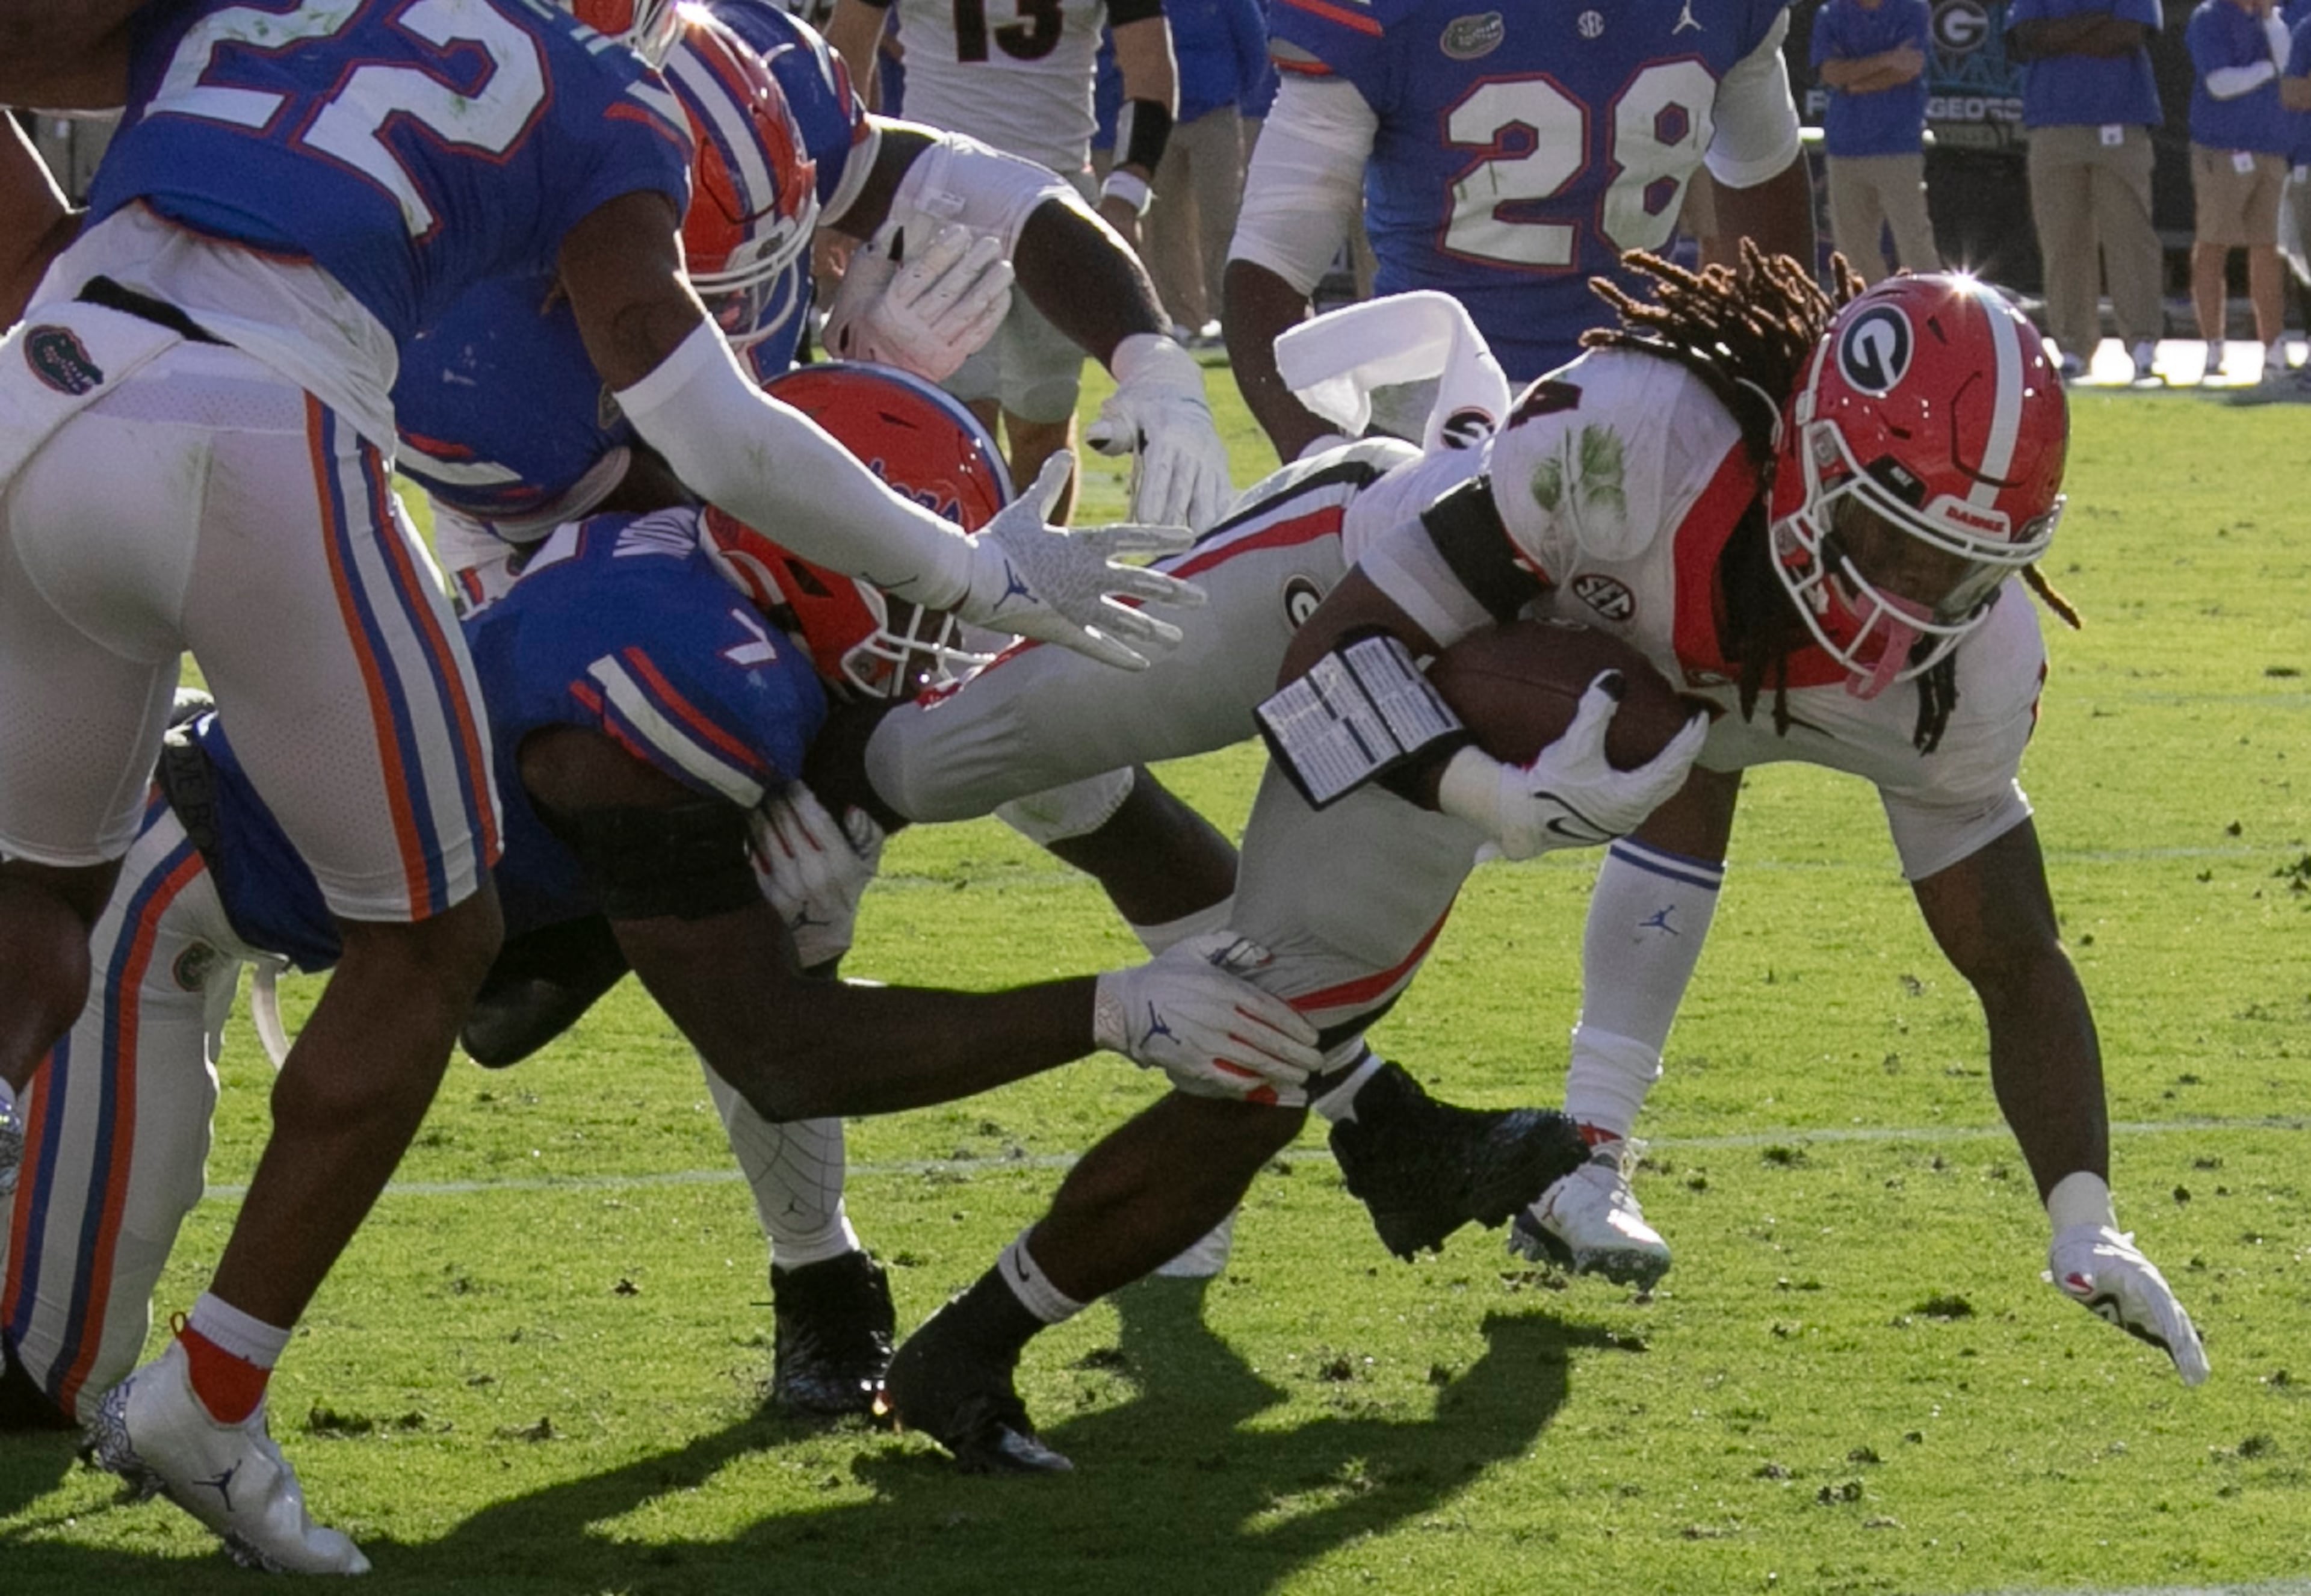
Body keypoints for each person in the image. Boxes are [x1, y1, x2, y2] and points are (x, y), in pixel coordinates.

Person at [0, 0, 1201, 1573]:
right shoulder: (591, 97)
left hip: (40, 390)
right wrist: (963, 563)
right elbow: (701, 422)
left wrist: (48, 251)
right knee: (438, 941)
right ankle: (212, 1396)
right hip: (284, 440)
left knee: (43, 902)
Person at [856, 260, 2208, 1474]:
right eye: (1891, 536)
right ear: (1805, 456)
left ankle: (966, 1346)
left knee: (1256, 1058)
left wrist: (2083, 1213)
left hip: (1475, 737)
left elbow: (2015, 958)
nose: (1913, 596)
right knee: (928, 762)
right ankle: (798, 778)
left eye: (1968, 568)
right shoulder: (1640, 442)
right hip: (1345, 578)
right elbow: (1337, 663)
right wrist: (1494, 797)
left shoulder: (1960, 679)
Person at [1220, 0, 1818, 463]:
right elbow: (1269, 268)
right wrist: (1329, 466)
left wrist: (1769, 398)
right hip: (1430, 430)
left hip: (1637, 419)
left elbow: (1767, 201)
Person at [824, 0, 1198, 524]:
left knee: (1042, 423)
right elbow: (845, 54)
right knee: (948, 421)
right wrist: (848, 187)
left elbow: (1150, 66)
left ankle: (1032, 584)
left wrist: (1125, 196)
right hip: (936, 196)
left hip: (1051, 203)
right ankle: (958, 587)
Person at [2005, 0, 2170, 383]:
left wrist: (2064, 30)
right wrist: (2097, 22)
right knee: (2063, 242)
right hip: (2052, 123)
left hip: (2122, 120)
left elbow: (2128, 34)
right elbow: (2030, 38)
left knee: (2130, 238)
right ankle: (2073, 349)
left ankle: (2143, 345)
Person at [1140, 0, 1267, 340]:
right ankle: (1185, 320)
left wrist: (1230, 95)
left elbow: (1255, 50)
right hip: (1161, 119)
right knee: (1169, 225)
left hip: (1216, 118)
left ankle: (1232, 318)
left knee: (1222, 221)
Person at [2186, 0, 2295, 382]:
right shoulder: (2208, 17)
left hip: (2273, 150)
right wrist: (2265, 70)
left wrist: (2269, 20)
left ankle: (2274, 348)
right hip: (2221, 150)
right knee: (2213, 245)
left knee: (2268, 250)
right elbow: (2219, 83)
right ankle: (2214, 347)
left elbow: (2289, 65)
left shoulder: (2278, 19)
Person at [1812, 0, 1940, 283]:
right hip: (1844, 146)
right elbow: (1830, 72)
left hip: (1898, 144)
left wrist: (1855, 81)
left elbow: (1909, 67)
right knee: (1853, 253)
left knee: (1914, 244)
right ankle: (1864, 318)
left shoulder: (1912, 9)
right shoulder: (1831, 13)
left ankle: (1931, 319)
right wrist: (1885, 60)